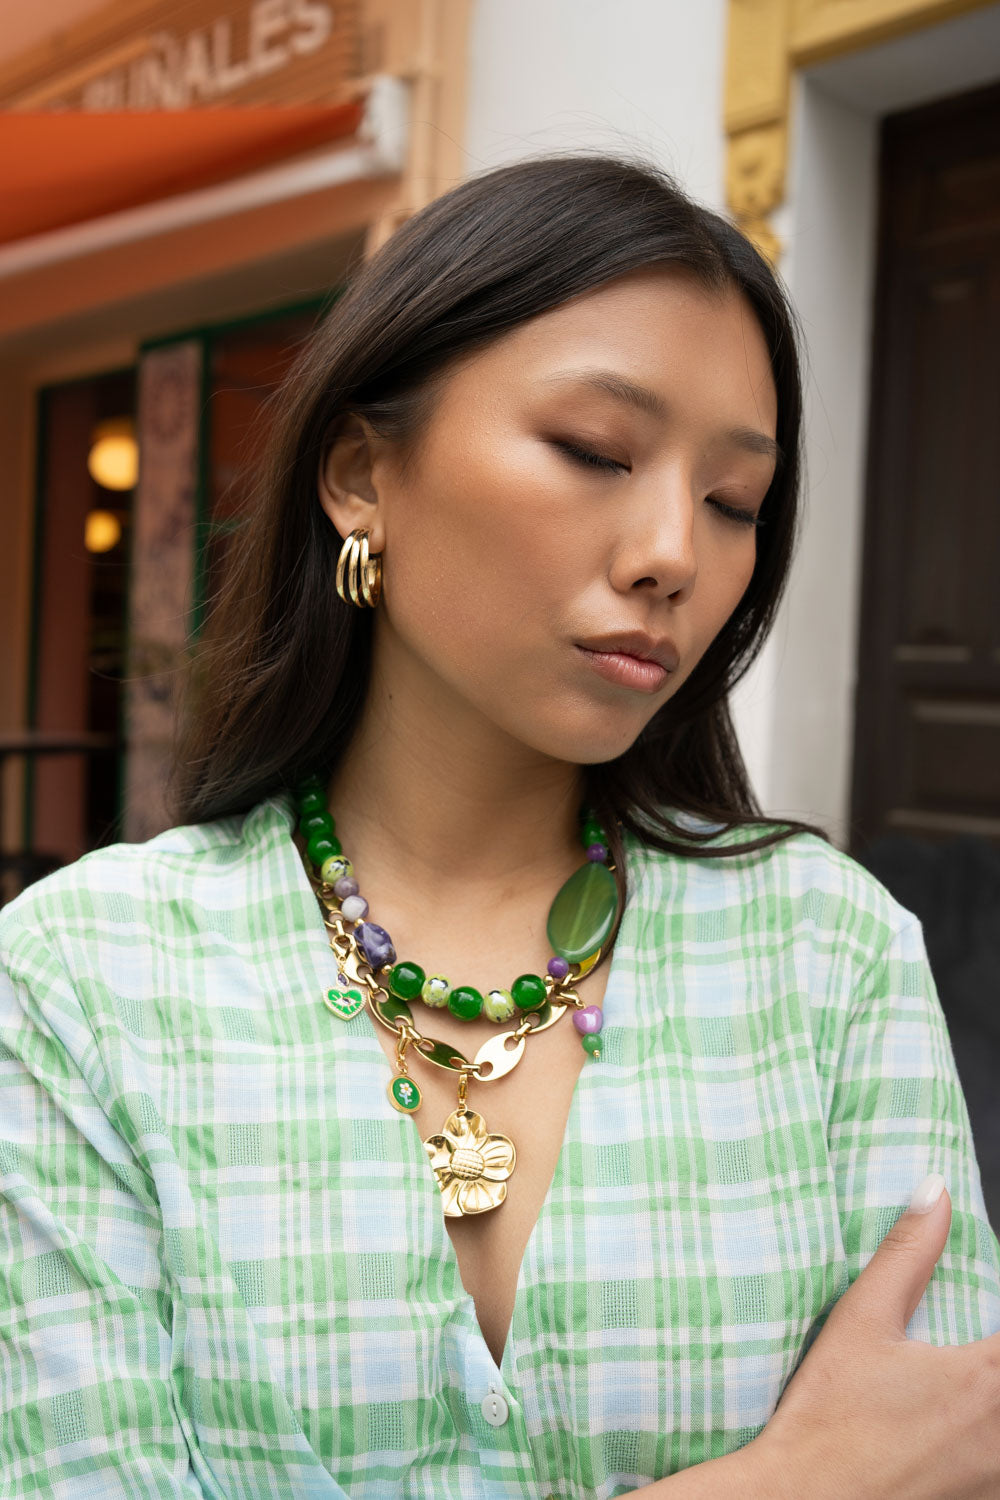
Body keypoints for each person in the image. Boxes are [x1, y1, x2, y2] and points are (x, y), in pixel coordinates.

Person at [1, 153, 998, 1500]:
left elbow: (948, 1447)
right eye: (595, 450)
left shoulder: (827, 953)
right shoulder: (82, 977)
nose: (674, 553)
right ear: (361, 473)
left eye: (735, 503)